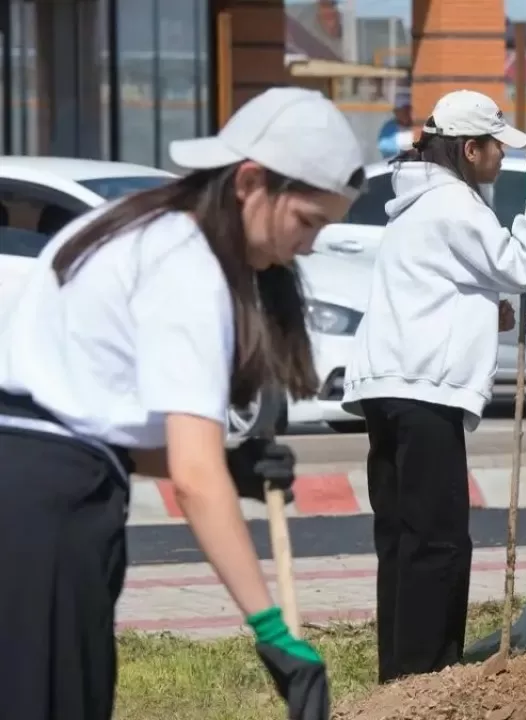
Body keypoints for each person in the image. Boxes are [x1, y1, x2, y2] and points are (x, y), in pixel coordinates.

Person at [0, 86, 366, 720]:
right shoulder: (188, 266)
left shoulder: (133, 223)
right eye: (308, 221)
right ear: (251, 180)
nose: (308, 246)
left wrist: (228, 467)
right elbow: (195, 482)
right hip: (45, 520)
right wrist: (274, 634)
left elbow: (80, 419)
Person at [341, 89, 526, 683]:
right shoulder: (454, 203)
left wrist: (484, 310)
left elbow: (430, 288)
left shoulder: (415, 202)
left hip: (388, 387)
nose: (503, 160)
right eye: (498, 149)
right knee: (438, 542)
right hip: (423, 392)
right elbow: (521, 267)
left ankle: (400, 677)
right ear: (470, 149)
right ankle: (429, 677)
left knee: (402, 537)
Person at [377, 88, 416, 159]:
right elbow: (383, 146)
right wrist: (404, 150)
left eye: (408, 110)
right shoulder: (389, 127)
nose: (406, 113)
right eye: (403, 110)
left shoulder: (418, 125)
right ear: (396, 112)